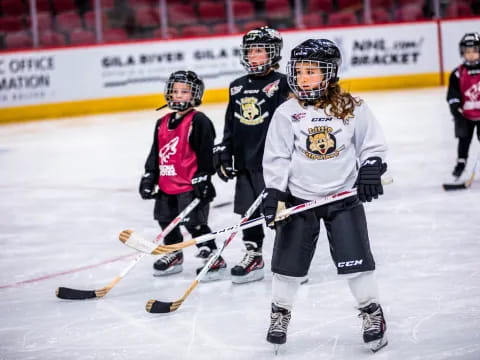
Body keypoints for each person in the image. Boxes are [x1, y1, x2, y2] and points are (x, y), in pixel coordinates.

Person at [261, 39, 389, 353]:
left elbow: (372, 145)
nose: (303, 78)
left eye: (311, 71)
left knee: (356, 262)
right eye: (299, 71)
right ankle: (280, 312)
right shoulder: (286, 113)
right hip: (299, 200)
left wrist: (371, 168)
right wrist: (275, 192)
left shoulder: (352, 107)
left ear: (329, 73)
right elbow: (277, 157)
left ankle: (372, 312)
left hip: (343, 199)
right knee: (286, 266)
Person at [213, 26, 290, 284]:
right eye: (251, 51)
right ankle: (253, 255)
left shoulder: (283, 83)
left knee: (280, 213)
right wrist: (224, 150)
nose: (255, 56)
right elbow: (230, 125)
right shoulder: (236, 87)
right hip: (246, 164)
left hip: (275, 165)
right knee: (248, 214)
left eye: (261, 51)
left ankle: (289, 260)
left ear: (274, 53)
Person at [139, 70, 226, 281]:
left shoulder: (199, 121)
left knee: (194, 223)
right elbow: (155, 153)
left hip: (189, 185)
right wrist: (149, 175)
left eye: (184, 92)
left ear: (195, 95)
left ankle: (213, 257)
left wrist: (204, 177)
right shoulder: (162, 122)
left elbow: (206, 153)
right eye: (175, 91)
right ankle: (174, 254)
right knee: (165, 220)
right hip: (167, 184)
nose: (178, 95)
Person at [446, 32, 480, 181]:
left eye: (474, 51)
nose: (470, 55)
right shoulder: (457, 73)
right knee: (464, 140)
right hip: (465, 116)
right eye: (467, 52)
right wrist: (455, 108)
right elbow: (452, 95)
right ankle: (461, 164)